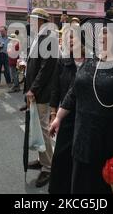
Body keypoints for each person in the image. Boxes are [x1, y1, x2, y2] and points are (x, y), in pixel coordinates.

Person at [50, 18, 113, 194]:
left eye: (105, 32)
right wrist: (59, 117)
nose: (100, 36)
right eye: (99, 32)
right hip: (82, 142)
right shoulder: (90, 62)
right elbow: (73, 92)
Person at [48, 25, 85, 194]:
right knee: (62, 155)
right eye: (67, 37)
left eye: (74, 37)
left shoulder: (93, 62)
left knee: (80, 158)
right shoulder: (62, 61)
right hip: (66, 117)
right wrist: (54, 113)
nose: (69, 41)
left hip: (86, 117)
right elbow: (55, 89)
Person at [24, 8, 58, 188]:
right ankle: (42, 159)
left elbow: (46, 69)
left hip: (42, 93)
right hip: (36, 92)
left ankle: (48, 167)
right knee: (37, 128)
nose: (31, 22)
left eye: (34, 19)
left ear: (42, 21)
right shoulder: (40, 37)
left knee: (43, 131)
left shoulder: (49, 39)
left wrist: (33, 89)